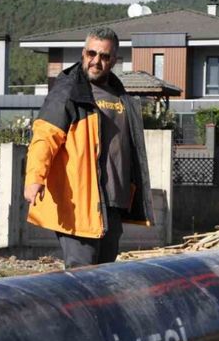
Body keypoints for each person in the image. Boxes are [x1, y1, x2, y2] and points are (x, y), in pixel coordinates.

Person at [23, 27, 154, 268]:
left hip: (113, 204)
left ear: (114, 59)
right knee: (81, 274)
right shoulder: (69, 91)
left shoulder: (121, 96)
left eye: (104, 56)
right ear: (83, 53)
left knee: (103, 276)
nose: (96, 61)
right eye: (91, 53)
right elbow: (45, 136)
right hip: (79, 202)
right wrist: (34, 177)